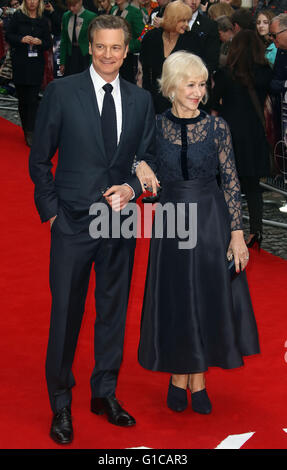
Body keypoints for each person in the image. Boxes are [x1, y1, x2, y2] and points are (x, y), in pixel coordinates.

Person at [29, 14, 156, 445]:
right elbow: (40, 158)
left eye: (116, 47)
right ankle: (61, 403)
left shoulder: (140, 100)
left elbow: (148, 158)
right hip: (71, 222)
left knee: (113, 313)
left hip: (119, 223)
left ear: (126, 51)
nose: (108, 55)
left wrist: (134, 187)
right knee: (66, 315)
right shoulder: (61, 92)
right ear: (89, 46)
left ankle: (105, 394)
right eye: (100, 46)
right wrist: (50, 212)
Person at [136, 50, 259, 414]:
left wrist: (237, 233)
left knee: (205, 295)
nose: (198, 91)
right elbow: (141, 162)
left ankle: (199, 377)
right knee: (177, 297)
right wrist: (141, 165)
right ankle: (179, 374)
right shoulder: (156, 126)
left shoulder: (218, 127)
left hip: (209, 219)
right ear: (171, 87)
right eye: (190, 84)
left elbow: (232, 181)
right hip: (172, 221)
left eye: (202, 84)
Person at [212, 30, 273, 248]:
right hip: (255, 133)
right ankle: (256, 232)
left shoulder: (226, 73)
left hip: (229, 133)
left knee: (228, 184)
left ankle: (227, 229)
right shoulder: (265, 72)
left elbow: (212, 102)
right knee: (253, 187)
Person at [140, 0, 204, 114]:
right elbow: (144, 70)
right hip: (153, 102)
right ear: (172, 19)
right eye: (183, 20)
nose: (186, 24)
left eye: (187, 21)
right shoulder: (151, 38)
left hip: (182, 103)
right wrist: (146, 96)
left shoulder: (192, 40)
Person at [5, 0, 52, 146]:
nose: (32, 2)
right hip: (20, 63)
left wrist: (40, 42)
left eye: (35, 0)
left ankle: (32, 131)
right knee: (23, 99)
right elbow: (9, 36)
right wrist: (21, 39)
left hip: (36, 64)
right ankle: (26, 128)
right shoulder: (18, 16)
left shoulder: (43, 20)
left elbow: (48, 43)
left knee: (32, 99)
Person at [59, 0, 97, 77]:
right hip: (70, 55)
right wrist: (62, 62)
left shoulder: (91, 16)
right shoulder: (66, 16)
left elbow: (94, 42)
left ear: (80, 2)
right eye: (69, 6)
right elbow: (64, 40)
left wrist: (92, 62)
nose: (71, 8)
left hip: (85, 55)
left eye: (74, 5)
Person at [110, 0, 145, 83]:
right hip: (113, 53)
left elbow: (143, 35)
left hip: (127, 58)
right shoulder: (113, 10)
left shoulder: (134, 12)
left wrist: (130, 47)